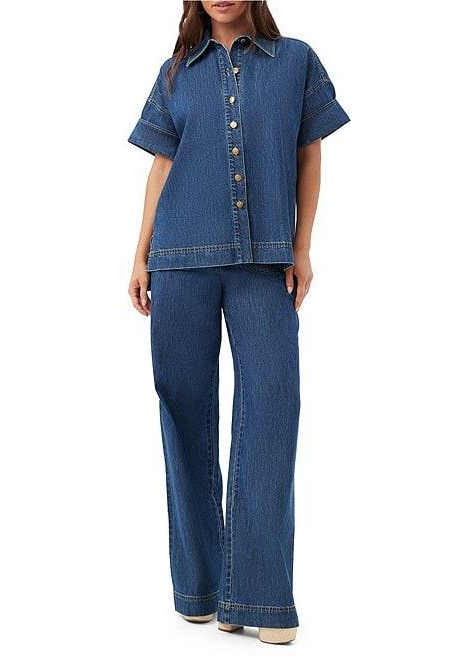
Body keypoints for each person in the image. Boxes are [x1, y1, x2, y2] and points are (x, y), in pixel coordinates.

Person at [127, 0, 349, 645]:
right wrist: (139, 254)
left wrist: (302, 247)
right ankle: (200, 587)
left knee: (273, 410)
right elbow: (161, 165)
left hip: (264, 264)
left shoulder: (296, 61)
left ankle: (261, 597)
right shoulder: (176, 71)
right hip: (178, 259)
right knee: (184, 412)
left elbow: (309, 154)